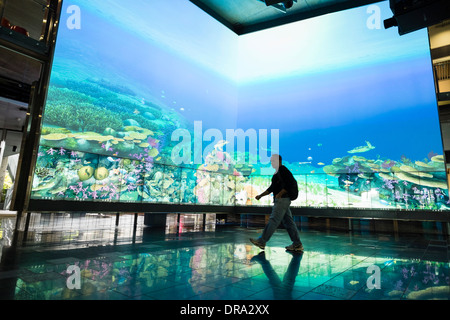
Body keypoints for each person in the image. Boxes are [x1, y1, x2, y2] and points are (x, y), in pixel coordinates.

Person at [250, 154, 304, 252]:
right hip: (283, 200)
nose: (271, 163)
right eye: (271, 161)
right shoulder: (277, 173)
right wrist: (260, 195)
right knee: (289, 223)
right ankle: (297, 244)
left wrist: (280, 194)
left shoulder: (283, 170)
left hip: (282, 200)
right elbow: (271, 188)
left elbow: (290, 183)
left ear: (279, 161)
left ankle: (262, 241)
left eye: (273, 161)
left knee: (274, 220)